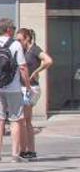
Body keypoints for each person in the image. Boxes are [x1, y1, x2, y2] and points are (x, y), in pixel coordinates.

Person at [0, 18, 29, 162]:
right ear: (9, 29)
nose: (14, 30)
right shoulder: (16, 45)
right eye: (13, 28)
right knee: (15, 119)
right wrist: (27, 85)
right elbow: (22, 67)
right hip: (13, 88)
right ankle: (15, 154)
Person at [17, 28, 52, 160]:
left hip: (30, 88)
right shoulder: (24, 50)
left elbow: (48, 60)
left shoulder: (34, 50)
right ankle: (29, 150)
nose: (19, 42)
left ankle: (26, 150)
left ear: (27, 38)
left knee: (24, 121)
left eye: (20, 39)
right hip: (26, 88)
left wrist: (37, 71)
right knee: (26, 120)